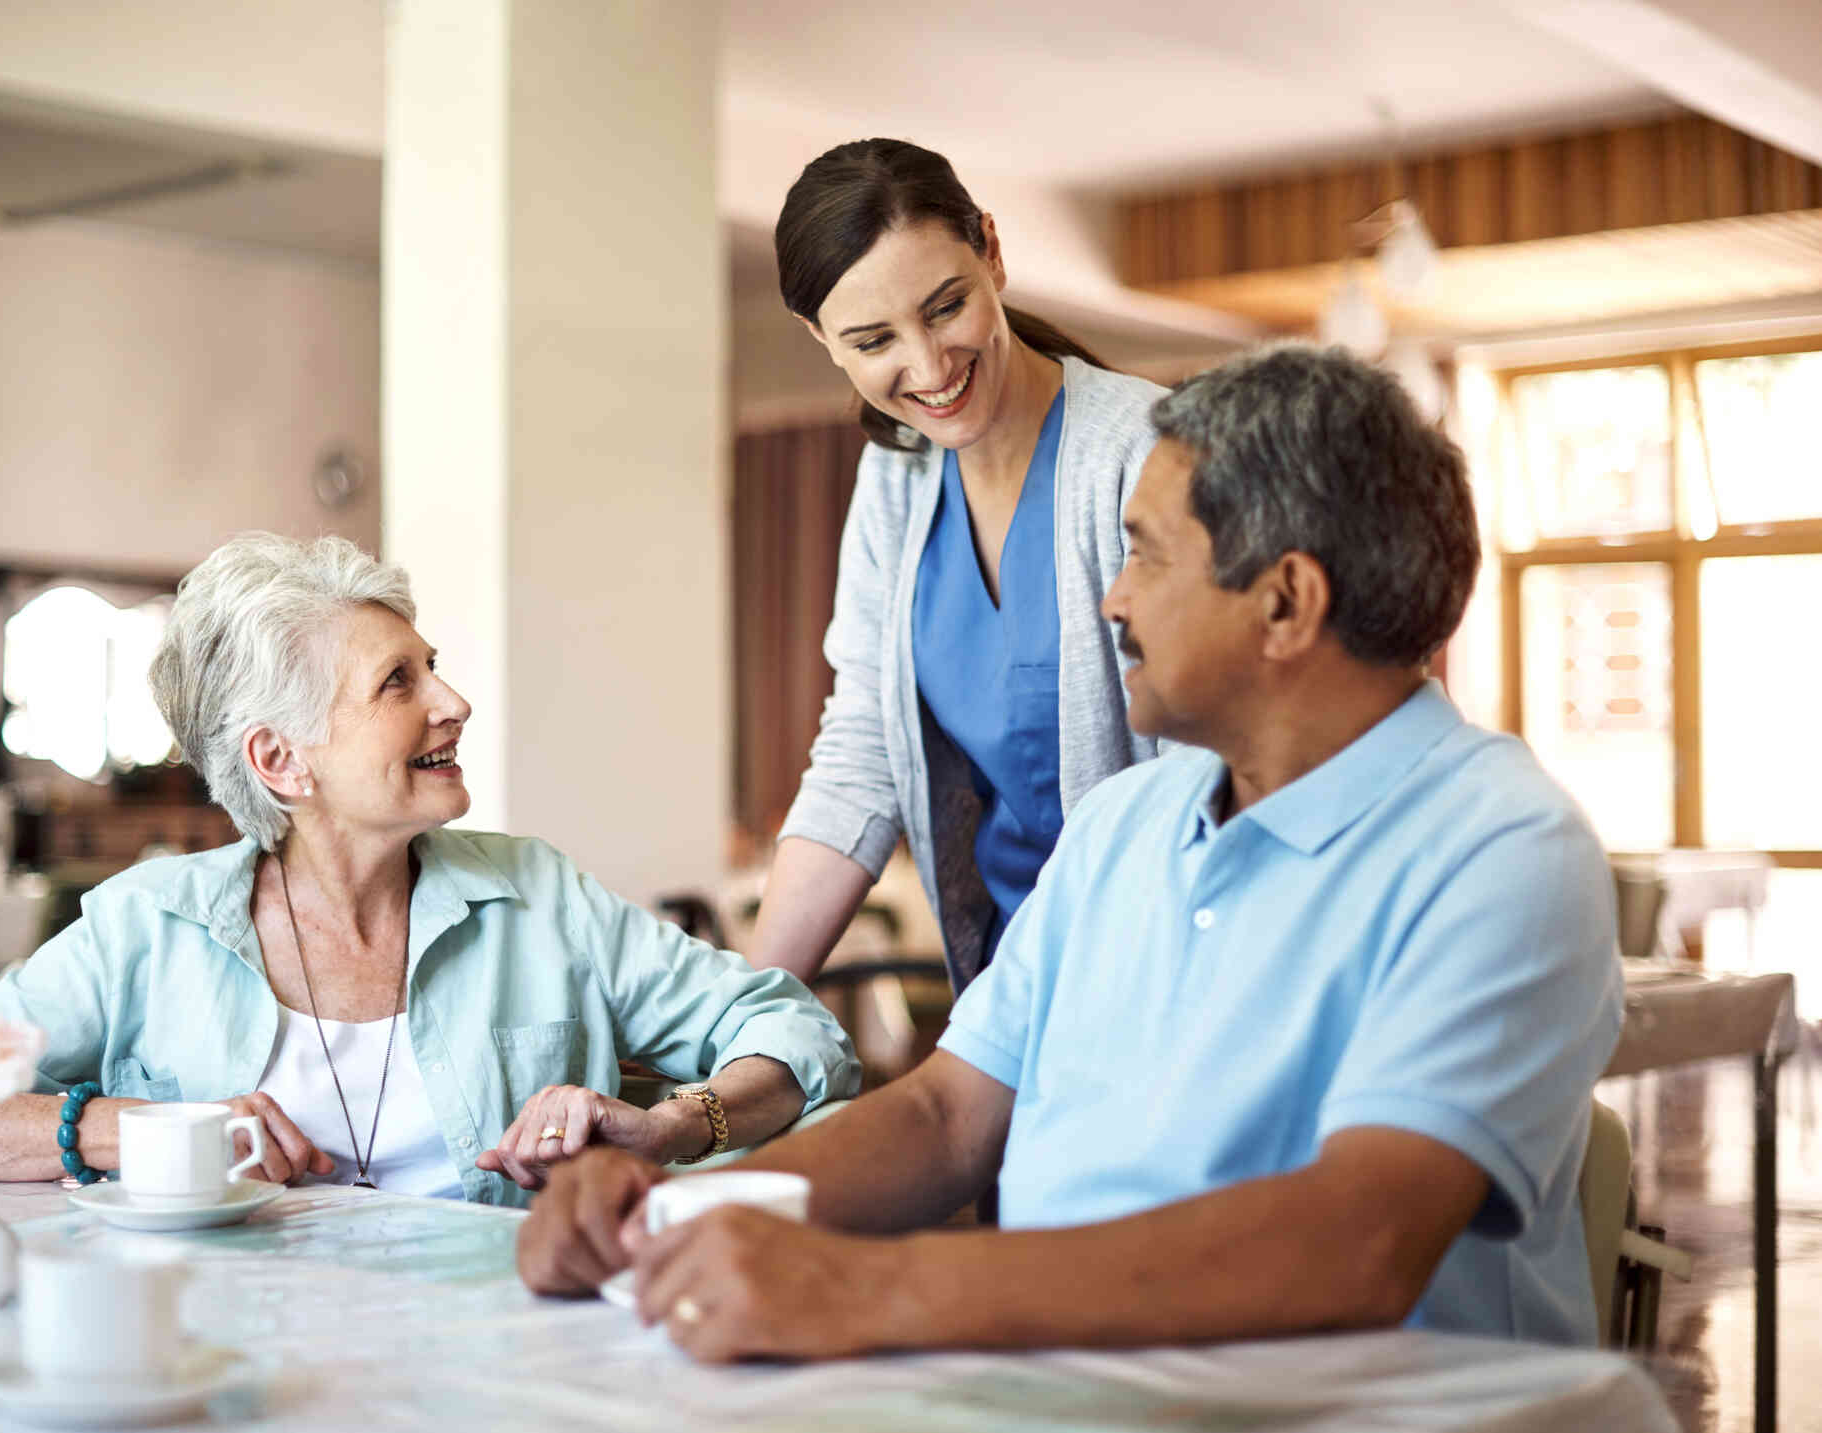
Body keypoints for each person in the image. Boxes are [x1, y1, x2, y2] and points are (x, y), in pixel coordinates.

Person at [517, 345, 1625, 1356]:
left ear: (1285, 601)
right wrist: (669, 1213)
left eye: (1144, 554)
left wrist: (870, 1291)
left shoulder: (1501, 848)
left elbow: (1358, 1239)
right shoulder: (1125, 823)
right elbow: (947, 1115)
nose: (1109, 596)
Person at [0, 534, 857, 1202]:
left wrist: (677, 1123)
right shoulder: (147, 926)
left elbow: (797, 1031)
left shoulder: (538, 896)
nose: (453, 699)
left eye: (433, 664)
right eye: (397, 683)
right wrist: (135, 1128)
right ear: (281, 759)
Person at [750, 138, 1167, 993]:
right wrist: (740, 1008)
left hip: (1155, 967)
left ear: (992, 250)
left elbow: (1212, 765)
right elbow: (862, 748)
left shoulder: (1145, 451)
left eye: (945, 307)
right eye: (873, 340)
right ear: (820, 338)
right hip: (1007, 980)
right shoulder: (897, 477)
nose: (930, 368)